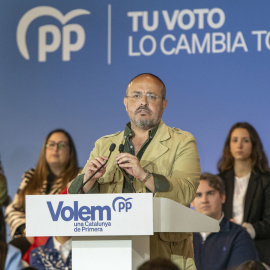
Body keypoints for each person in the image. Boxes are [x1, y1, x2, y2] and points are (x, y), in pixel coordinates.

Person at [68, 73, 201, 269]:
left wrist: (144, 176)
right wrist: (88, 181)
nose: (143, 102)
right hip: (111, 253)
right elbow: (73, 196)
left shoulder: (182, 142)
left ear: (164, 104)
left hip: (163, 255)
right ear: (126, 102)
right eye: (136, 96)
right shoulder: (104, 144)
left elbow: (187, 191)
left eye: (152, 97)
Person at [5, 129, 79, 258]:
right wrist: (27, 229)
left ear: (70, 151)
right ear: (45, 149)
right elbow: (13, 209)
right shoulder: (30, 177)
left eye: (61, 145)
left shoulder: (80, 177)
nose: (55, 148)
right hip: (28, 239)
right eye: (51, 144)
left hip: (62, 242)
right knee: (11, 250)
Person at [217, 122, 270, 265]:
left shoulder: (266, 180)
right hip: (224, 250)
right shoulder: (219, 181)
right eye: (235, 140)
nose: (239, 145)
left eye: (245, 140)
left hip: (258, 253)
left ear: (254, 145)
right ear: (229, 146)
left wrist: (250, 229)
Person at [191, 173, 258, 270]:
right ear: (191, 201)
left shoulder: (239, 236)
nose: (204, 200)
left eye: (210, 193)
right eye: (198, 195)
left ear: (222, 197)